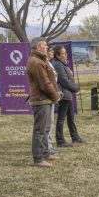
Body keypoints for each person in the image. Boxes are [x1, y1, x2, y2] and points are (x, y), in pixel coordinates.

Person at [26, 37, 62, 167]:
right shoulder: (36, 62)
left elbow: (51, 79)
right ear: (38, 47)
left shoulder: (41, 60)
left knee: (45, 129)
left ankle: (46, 153)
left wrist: (57, 92)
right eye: (45, 45)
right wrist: (55, 96)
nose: (47, 48)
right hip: (41, 99)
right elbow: (44, 84)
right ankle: (38, 158)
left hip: (46, 99)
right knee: (40, 130)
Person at [51, 45, 83, 147]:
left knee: (71, 117)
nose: (66, 55)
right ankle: (60, 140)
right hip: (63, 95)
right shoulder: (57, 64)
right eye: (63, 53)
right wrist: (76, 88)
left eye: (65, 52)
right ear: (57, 55)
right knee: (61, 118)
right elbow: (64, 81)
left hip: (67, 94)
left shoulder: (62, 63)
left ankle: (75, 137)